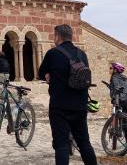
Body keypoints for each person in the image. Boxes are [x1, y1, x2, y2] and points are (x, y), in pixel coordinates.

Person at [38, 24, 97, 165]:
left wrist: (49, 76)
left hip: (60, 107)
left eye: (54, 36)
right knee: (84, 143)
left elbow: (40, 73)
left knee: (61, 145)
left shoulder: (53, 53)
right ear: (71, 36)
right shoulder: (82, 54)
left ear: (58, 36)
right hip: (80, 105)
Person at [109, 62, 127, 142]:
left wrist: (113, 94)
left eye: (112, 68)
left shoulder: (114, 77)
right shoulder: (126, 78)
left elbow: (116, 88)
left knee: (122, 122)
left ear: (116, 70)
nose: (111, 70)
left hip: (119, 101)